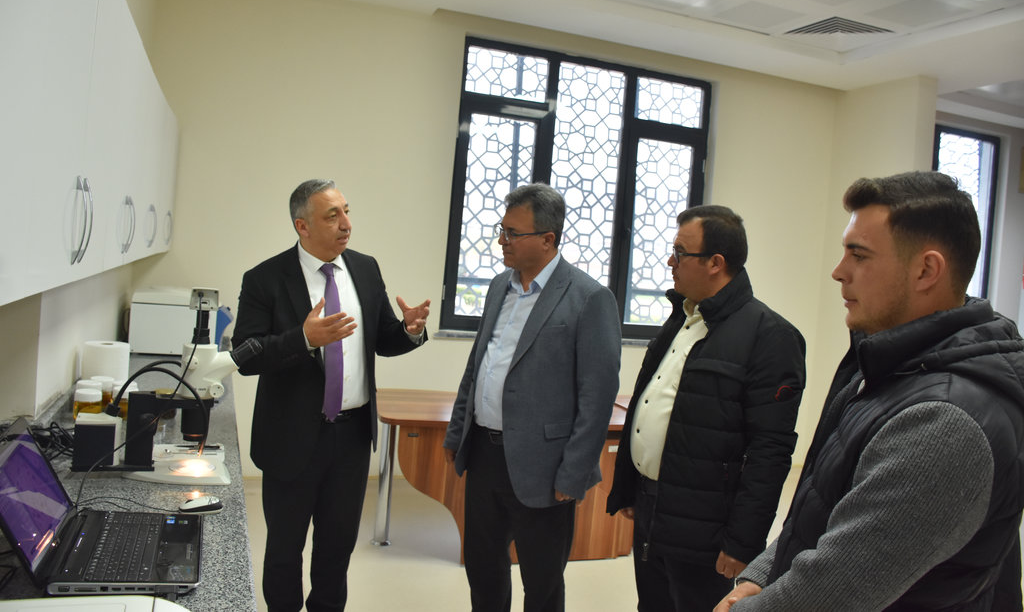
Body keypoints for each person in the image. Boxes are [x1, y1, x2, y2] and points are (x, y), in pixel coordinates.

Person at [715, 171, 1024, 612]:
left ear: (926, 270)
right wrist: (762, 575)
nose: (838, 272)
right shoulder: (889, 368)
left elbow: (830, 593)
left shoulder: (945, 421)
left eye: (858, 255)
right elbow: (823, 507)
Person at [234, 179, 430, 612]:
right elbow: (246, 356)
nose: (346, 224)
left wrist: (409, 331)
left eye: (346, 211)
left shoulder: (365, 268)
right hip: (290, 439)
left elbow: (382, 338)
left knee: (336, 551)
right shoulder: (265, 279)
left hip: (351, 439)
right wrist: (303, 339)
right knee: (284, 551)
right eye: (332, 216)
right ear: (302, 226)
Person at [606, 204, 806, 611]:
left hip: (707, 528)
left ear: (716, 263)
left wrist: (743, 542)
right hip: (653, 507)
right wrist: (630, 487)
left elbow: (769, 451)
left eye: (680, 253)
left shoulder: (771, 336)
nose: (671, 262)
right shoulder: (683, 319)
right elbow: (652, 403)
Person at [443, 182, 621, 612]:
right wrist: (456, 432)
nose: (502, 241)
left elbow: (597, 396)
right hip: (485, 455)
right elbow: (478, 366)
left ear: (548, 239)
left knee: (541, 583)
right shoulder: (498, 287)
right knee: (483, 570)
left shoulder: (589, 297)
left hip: (546, 465)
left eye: (513, 233)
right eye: (501, 230)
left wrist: (574, 472)